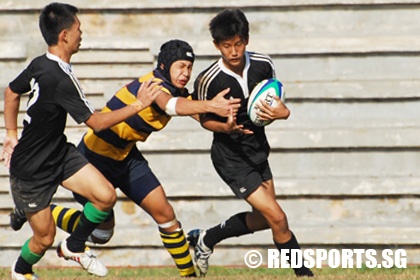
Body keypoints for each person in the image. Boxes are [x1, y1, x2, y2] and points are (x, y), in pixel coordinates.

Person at [9, 39, 241, 278]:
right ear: (165, 64)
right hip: (94, 158)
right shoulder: (154, 85)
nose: (186, 73)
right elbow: (171, 106)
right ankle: (31, 211)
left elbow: (197, 114)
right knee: (101, 235)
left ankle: (189, 276)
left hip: (126, 156)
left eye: (190, 67)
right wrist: (212, 104)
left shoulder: (178, 91)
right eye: (181, 66)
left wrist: (227, 127)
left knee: (166, 215)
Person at [1, 3, 162, 280]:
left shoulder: (41, 63)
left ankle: (74, 246)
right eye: (78, 29)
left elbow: (12, 91)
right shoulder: (60, 78)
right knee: (44, 238)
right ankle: (21, 270)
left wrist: (11, 134)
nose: (81, 33)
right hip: (31, 170)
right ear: (64, 35)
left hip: (59, 154)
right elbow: (96, 123)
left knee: (105, 196)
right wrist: (139, 104)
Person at [187, 8, 314, 277]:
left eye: (238, 44)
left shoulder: (263, 64)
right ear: (216, 45)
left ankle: (206, 238)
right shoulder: (208, 79)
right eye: (226, 46)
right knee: (278, 218)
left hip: (257, 150)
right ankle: (304, 274)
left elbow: (274, 103)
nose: (233, 51)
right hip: (230, 156)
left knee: (266, 219)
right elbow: (201, 117)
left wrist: (285, 112)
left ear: (246, 39)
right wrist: (225, 126)